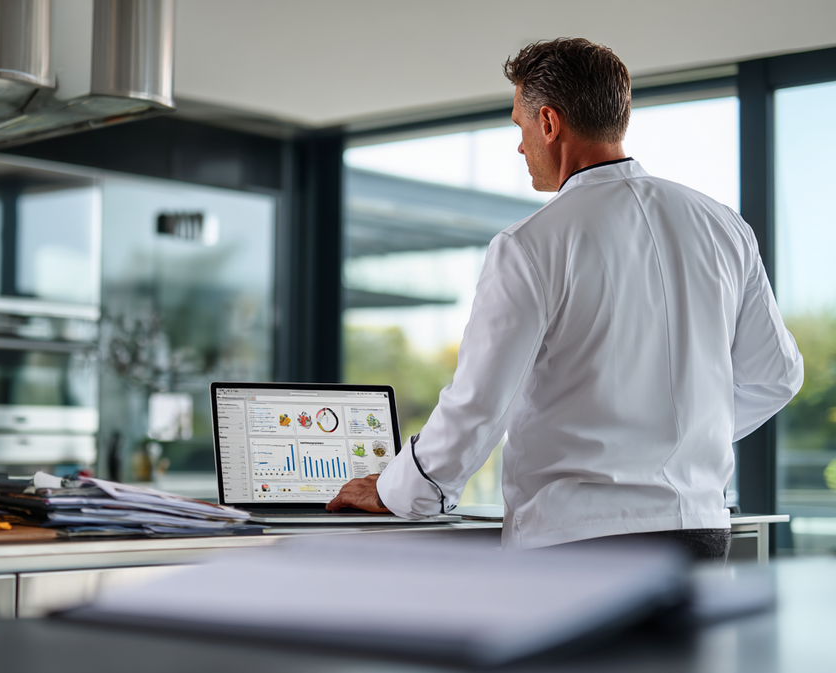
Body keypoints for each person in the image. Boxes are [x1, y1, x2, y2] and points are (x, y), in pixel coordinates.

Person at [326, 38, 804, 561]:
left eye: (519, 126)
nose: (519, 144)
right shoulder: (724, 228)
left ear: (549, 124)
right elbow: (775, 375)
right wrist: (677, 434)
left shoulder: (531, 243)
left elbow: (480, 404)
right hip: (700, 534)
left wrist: (399, 490)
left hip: (580, 544)